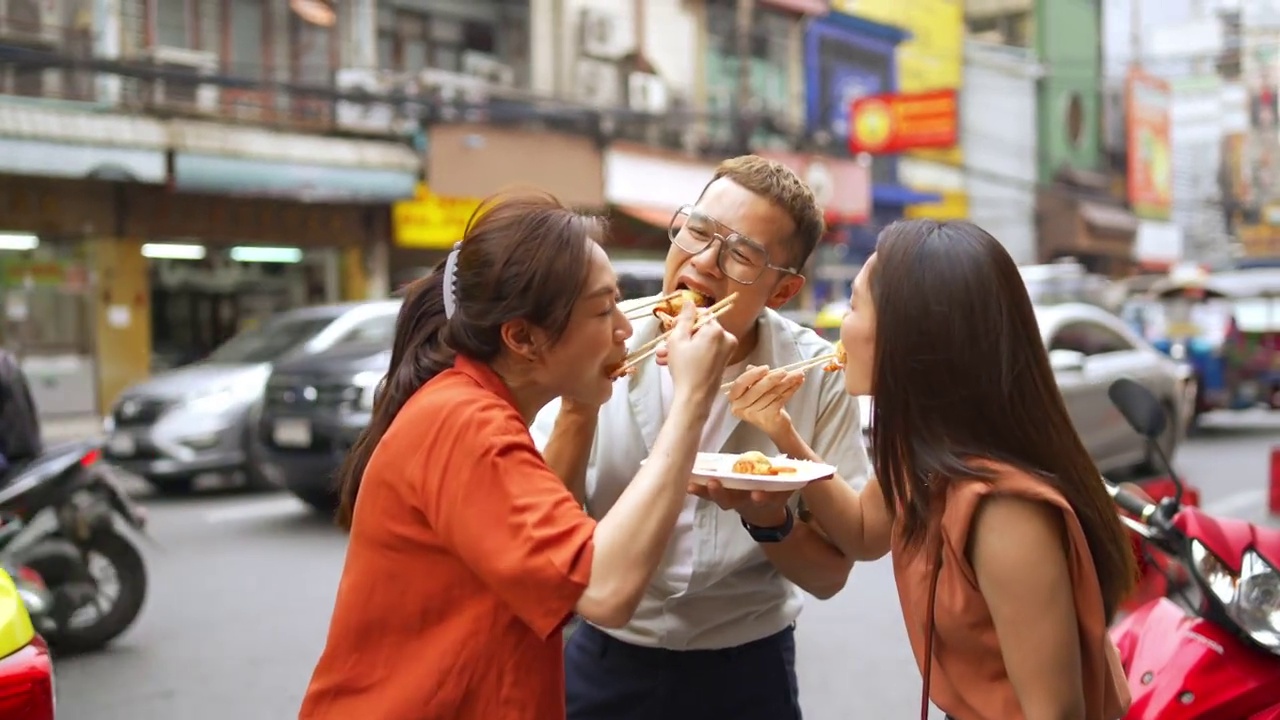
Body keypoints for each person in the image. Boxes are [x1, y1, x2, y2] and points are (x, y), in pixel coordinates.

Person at [297, 193, 738, 720]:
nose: (625, 328)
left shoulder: (470, 406)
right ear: (523, 338)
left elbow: (541, 552)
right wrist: (691, 399)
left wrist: (584, 401)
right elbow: (602, 589)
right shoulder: (464, 423)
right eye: (603, 310)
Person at [531, 155, 870, 720]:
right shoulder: (602, 343)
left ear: (782, 292)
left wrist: (770, 519)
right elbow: (548, 546)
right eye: (698, 231)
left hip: (749, 668)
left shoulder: (811, 375)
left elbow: (832, 575)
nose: (705, 262)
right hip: (605, 656)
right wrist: (579, 404)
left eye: (741, 254)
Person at [802, 219, 1134, 719]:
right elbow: (863, 532)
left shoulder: (1005, 511)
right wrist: (781, 437)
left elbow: (1055, 713)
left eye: (853, 305)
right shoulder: (926, 463)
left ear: (910, 336)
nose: (839, 328)